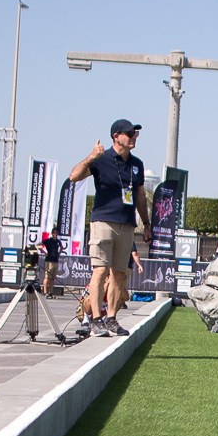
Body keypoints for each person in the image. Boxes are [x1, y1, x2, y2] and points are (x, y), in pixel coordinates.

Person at [69, 119, 151, 337]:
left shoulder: (137, 164)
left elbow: (141, 197)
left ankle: (112, 319)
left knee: (119, 274)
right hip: (103, 221)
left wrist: (147, 224)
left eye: (136, 134)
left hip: (127, 224)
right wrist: (91, 157)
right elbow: (74, 176)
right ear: (116, 136)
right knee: (100, 271)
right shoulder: (101, 159)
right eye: (130, 133)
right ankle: (95, 319)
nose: (134, 137)